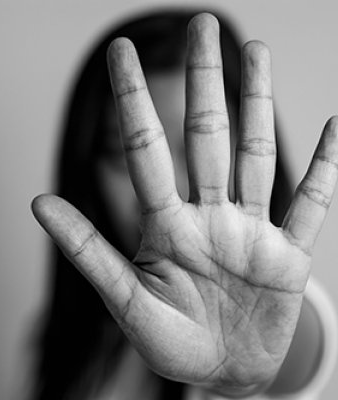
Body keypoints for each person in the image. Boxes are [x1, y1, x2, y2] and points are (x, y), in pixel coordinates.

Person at [30, 10, 338, 400]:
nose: (158, 188)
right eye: (120, 152)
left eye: (189, 146)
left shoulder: (279, 303)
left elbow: (288, 345)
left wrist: (243, 372)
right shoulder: (83, 331)